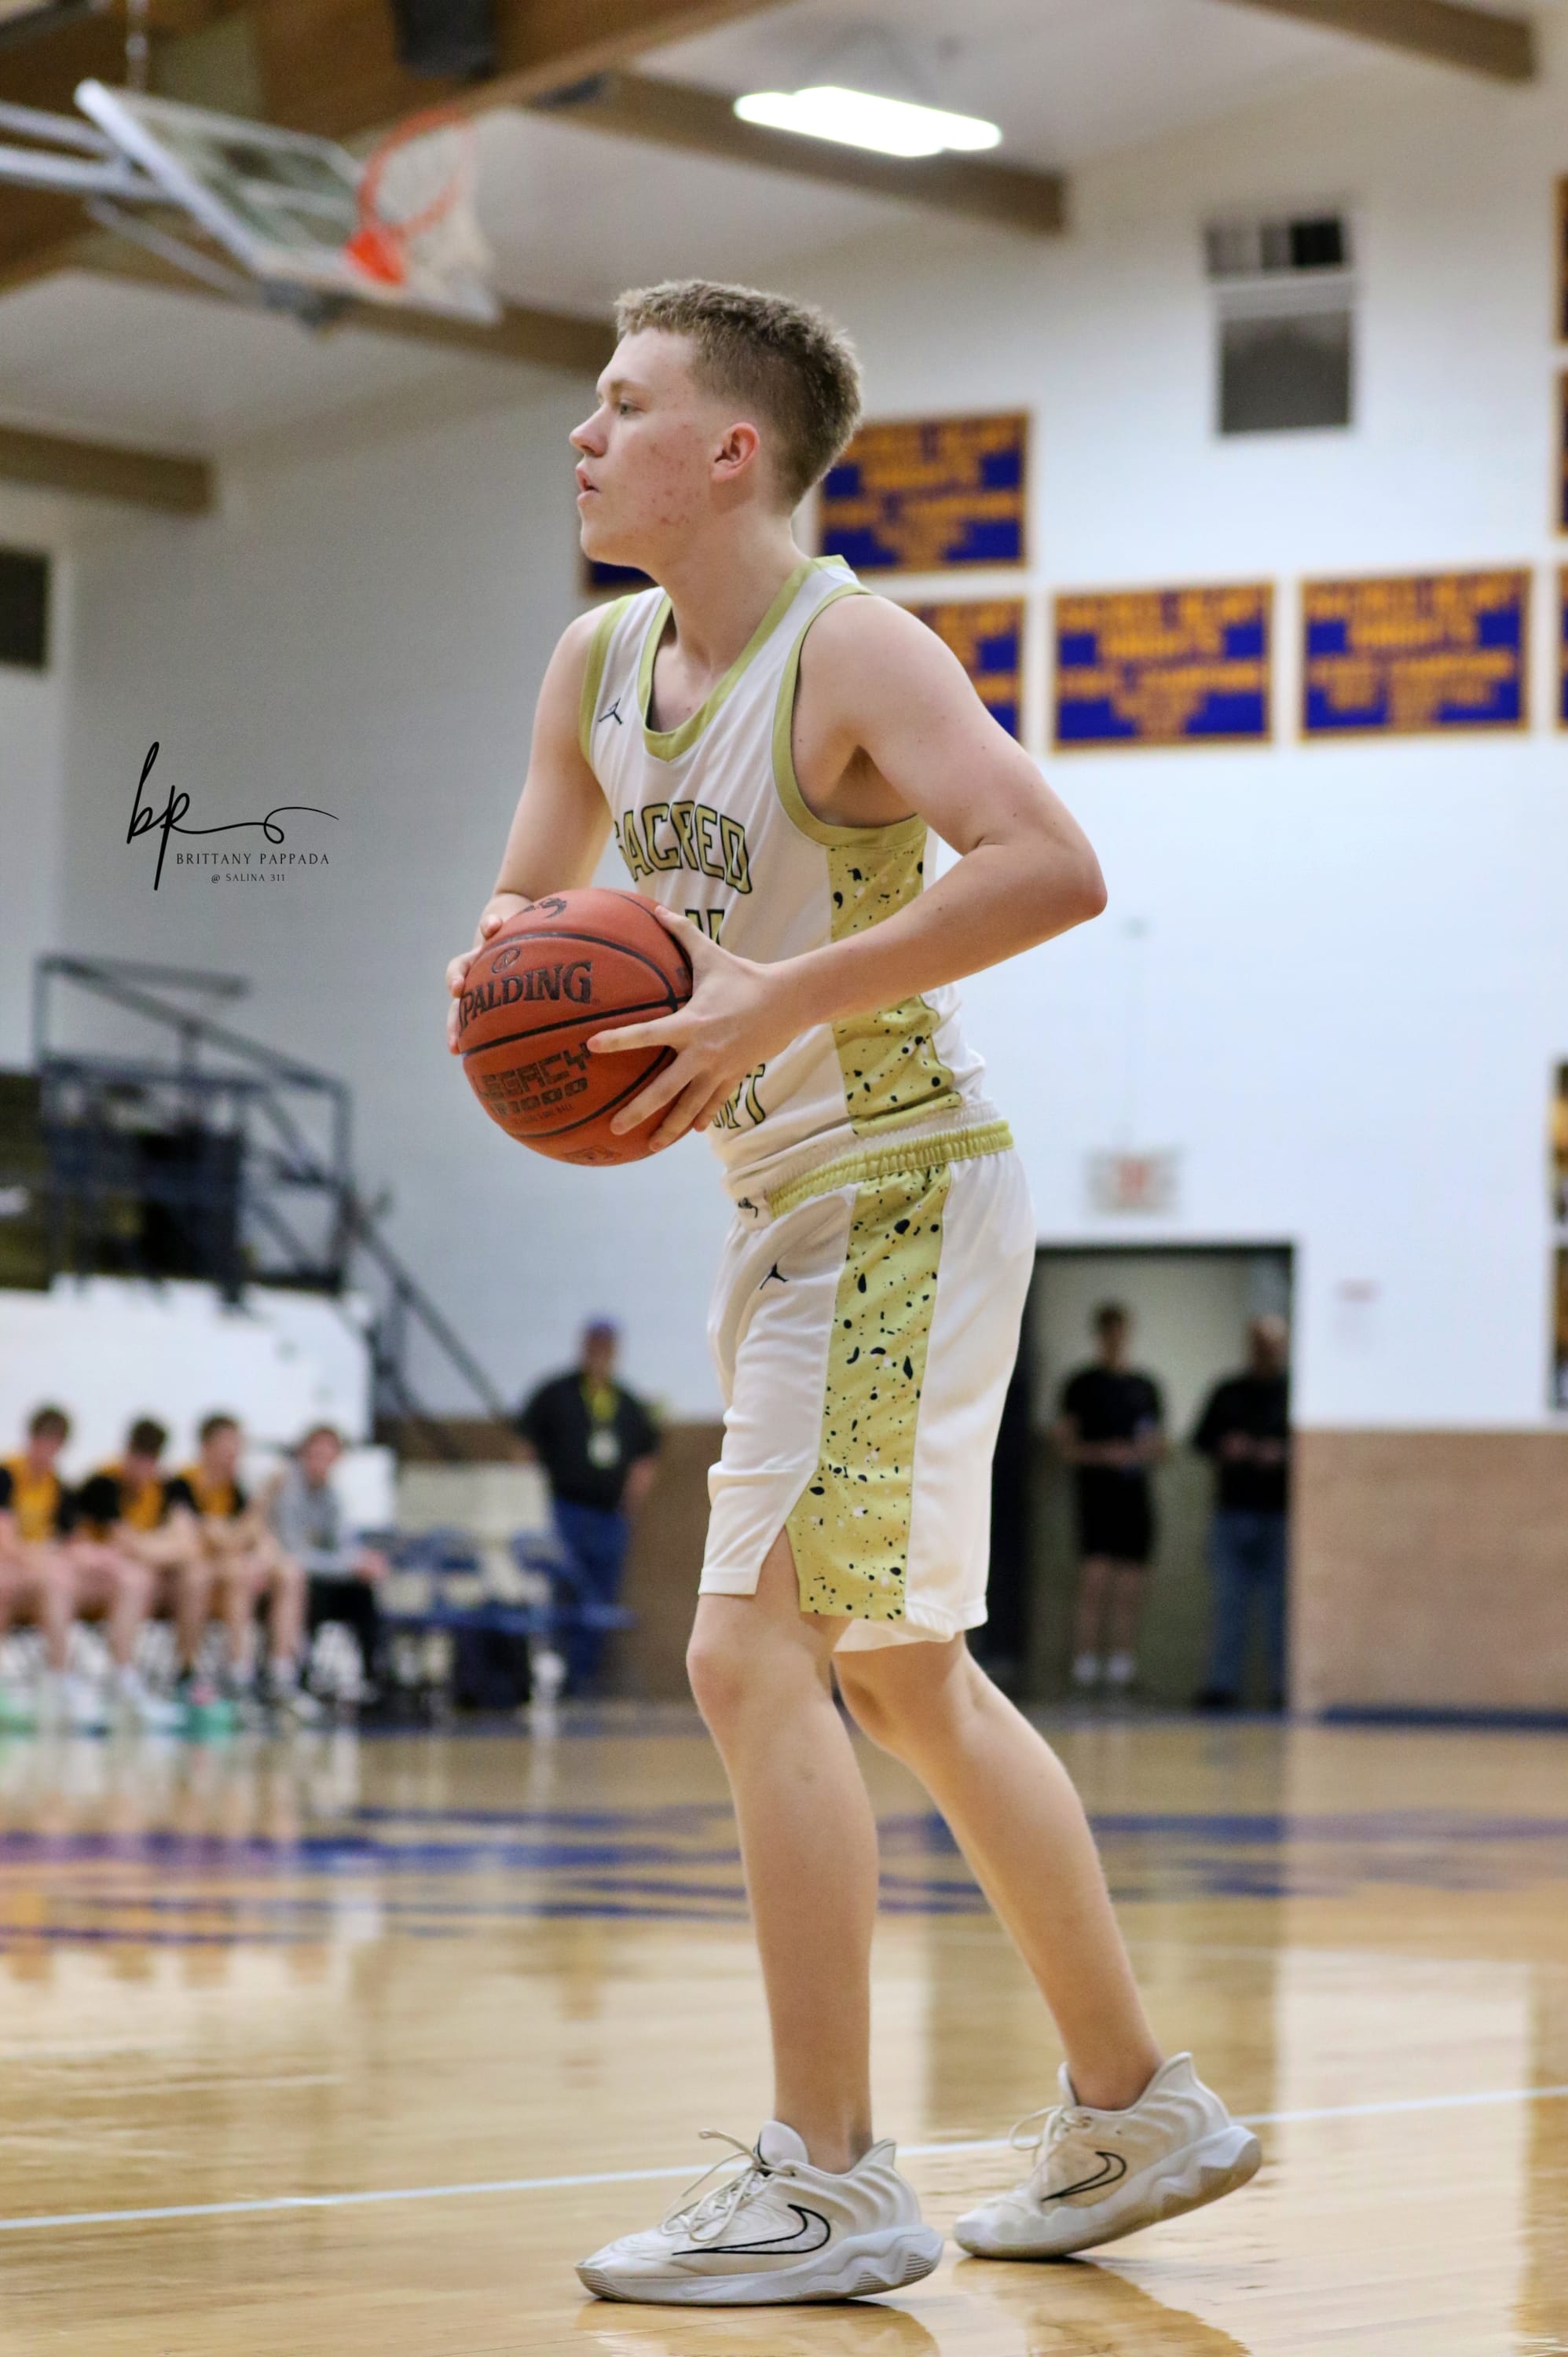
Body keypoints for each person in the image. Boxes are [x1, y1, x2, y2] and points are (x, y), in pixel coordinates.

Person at [445, 279, 1258, 2307]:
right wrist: (503, 982)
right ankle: (1134, 2104)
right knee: (899, 1675)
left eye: (622, 403)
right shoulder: (594, 659)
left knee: (750, 1658)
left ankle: (826, 2177)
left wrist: (778, 996)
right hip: (776, 1202)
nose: (582, 433)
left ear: (732, 451)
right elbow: (533, 894)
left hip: (899, 1183)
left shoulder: (854, 648)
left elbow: (1049, 863)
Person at [0, 1406, 179, 1732]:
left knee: (130, 1579)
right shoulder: (8, 1475)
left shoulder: (58, 1487)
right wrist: (52, 1557)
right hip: (16, 1572)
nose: (49, 1450)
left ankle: (123, 1677)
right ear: (31, 1439)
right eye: (44, 1441)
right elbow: (6, 1542)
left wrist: (92, 1557)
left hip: (42, 1572)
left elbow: (75, 1541)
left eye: (56, 1443)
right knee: (51, 1578)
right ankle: (56, 1679)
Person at [515, 1320, 661, 1694]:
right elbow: (525, 1447)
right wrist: (534, 1497)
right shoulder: (556, 1393)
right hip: (566, 1510)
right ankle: (554, 1673)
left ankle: (583, 1678)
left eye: (606, 1346)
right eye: (594, 1344)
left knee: (600, 1597)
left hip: (609, 1516)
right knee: (562, 1590)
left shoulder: (627, 1402)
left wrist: (629, 1502)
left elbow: (646, 1457)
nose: (600, 1353)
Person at [165, 1414, 318, 1721]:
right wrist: (264, 1498)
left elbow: (257, 1537)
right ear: (206, 1447)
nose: (233, 1454)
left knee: (289, 1573)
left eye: (237, 1447)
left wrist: (264, 1555)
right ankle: (233, 1674)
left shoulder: (235, 1488)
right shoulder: (183, 1484)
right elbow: (219, 1540)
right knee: (235, 1573)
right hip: (188, 1579)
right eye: (227, 1446)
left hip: (228, 1572)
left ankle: (282, 1672)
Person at [1055, 1303, 1167, 1697]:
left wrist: (1141, 1452)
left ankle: (1121, 1672)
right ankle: (1085, 1671)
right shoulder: (1080, 1385)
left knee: (1129, 1588)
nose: (1116, 1339)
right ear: (1099, 1335)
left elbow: (1160, 1446)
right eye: (1109, 1332)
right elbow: (1064, 1447)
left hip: (1134, 1499)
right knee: (1094, 1583)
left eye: (1121, 1332)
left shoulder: (1145, 1387)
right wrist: (1104, 1454)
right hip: (1095, 1499)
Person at [73, 1417, 218, 1717]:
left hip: (153, 1578)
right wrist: (163, 1544)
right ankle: (124, 1677)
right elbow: (122, 1544)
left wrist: (148, 1548)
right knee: (134, 1578)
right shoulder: (104, 1483)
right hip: (106, 1582)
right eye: (138, 1458)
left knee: (197, 1575)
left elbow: (188, 1543)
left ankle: (186, 1672)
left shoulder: (170, 1487)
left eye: (150, 1461)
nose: (143, 1469)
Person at [1192, 1315, 1291, 1711]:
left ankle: (1283, 1688)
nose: (1266, 1351)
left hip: (1279, 1514)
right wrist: (1227, 1447)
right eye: (1259, 1343)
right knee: (1229, 1604)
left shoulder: (1294, 1393)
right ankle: (1222, 1686)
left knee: (1279, 1608)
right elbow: (1201, 1440)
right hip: (1232, 1512)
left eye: (1273, 1344)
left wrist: (1281, 1455)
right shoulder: (1228, 1391)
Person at [262, 1424, 388, 1704]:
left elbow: (343, 1545)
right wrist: (349, 1565)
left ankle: (371, 1679)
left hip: (318, 1576)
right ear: (303, 1455)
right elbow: (294, 1554)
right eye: (316, 1454)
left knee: (362, 1592)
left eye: (328, 1456)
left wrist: (361, 1561)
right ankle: (293, 1676)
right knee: (305, 1586)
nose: (321, 1462)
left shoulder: (333, 1496)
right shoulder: (287, 1492)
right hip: (285, 1580)